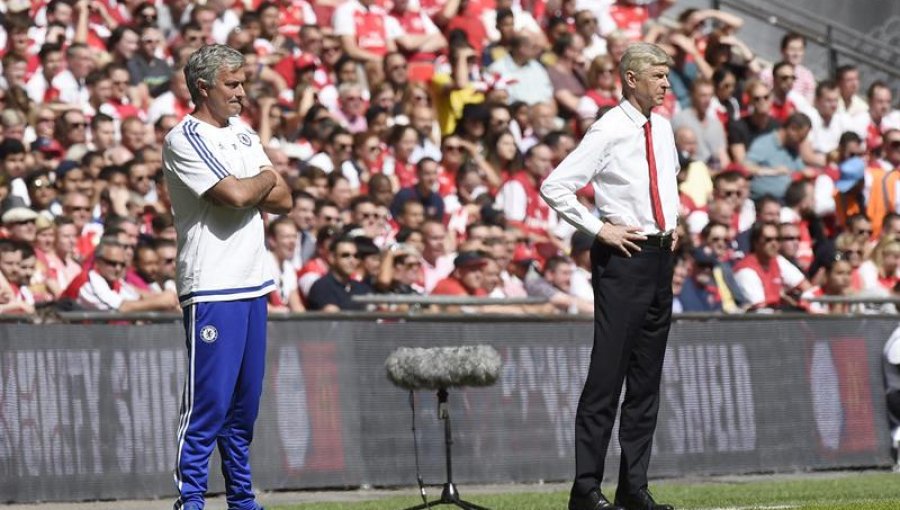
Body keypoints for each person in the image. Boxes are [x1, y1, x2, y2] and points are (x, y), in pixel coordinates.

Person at [540, 42, 677, 510]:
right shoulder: (610, 128)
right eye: (658, 76)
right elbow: (555, 185)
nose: (666, 84)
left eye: (667, 75)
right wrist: (600, 229)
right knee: (607, 376)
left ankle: (634, 488)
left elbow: (666, 182)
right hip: (625, 258)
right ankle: (585, 489)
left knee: (646, 382)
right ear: (631, 78)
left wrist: (672, 227)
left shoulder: (662, 127)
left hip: (660, 258)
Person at [161, 44, 292, 510]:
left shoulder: (242, 133)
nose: (241, 93)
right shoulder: (185, 137)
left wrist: (257, 182)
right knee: (206, 406)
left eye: (242, 83)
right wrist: (261, 179)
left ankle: (242, 499)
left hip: (253, 283)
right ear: (203, 87)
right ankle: (190, 501)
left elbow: (286, 199)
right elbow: (237, 195)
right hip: (212, 285)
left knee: (244, 409)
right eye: (231, 85)